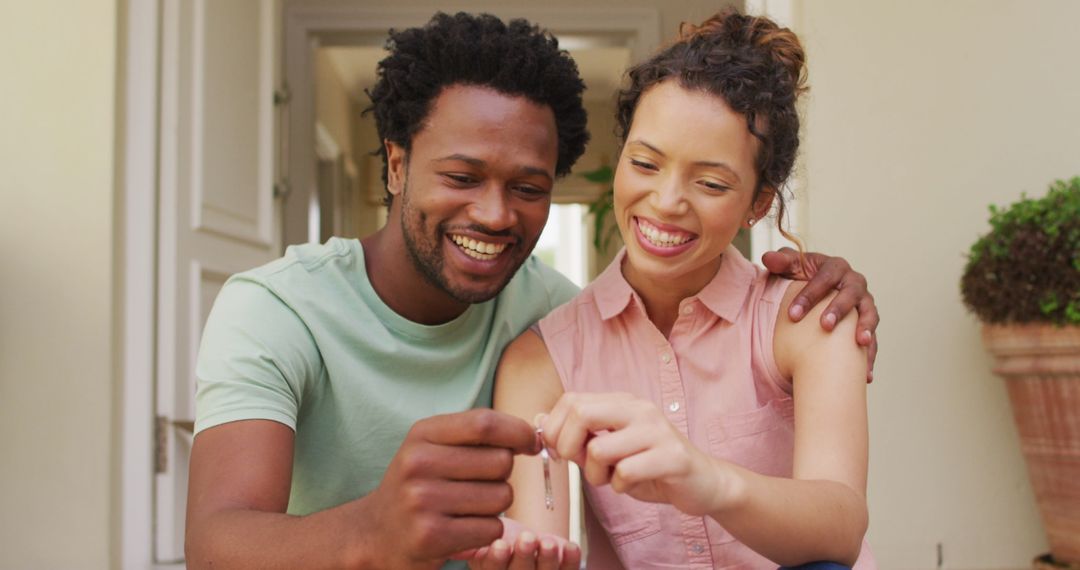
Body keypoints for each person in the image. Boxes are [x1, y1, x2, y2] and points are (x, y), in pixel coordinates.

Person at [184, 11, 880, 570]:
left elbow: (837, 522)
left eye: (528, 189)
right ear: (396, 164)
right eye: (461, 177)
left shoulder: (550, 307)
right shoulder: (275, 310)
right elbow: (215, 546)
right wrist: (377, 529)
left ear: (757, 202)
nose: (494, 214)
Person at [480, 9, 875, 569]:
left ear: (757, 205)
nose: (666, 202)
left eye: (711, 183)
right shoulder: (541, 360)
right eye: (645, 163)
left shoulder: (809, 319)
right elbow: (536, 536)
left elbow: (840, 528)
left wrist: (703, 478)